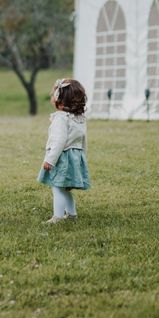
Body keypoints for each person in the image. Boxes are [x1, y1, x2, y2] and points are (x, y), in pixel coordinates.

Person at [37, 78, 90, 224]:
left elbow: (59, 141)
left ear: (59, 101)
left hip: (62, 157)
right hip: (75, 156)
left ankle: (58, 216)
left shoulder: (61, 118)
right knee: (65, 189)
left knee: (58, 188)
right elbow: (83, 139)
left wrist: (50, 160)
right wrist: (82, 158)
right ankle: (72, 214)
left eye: (53, 95)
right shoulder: (79, 118)